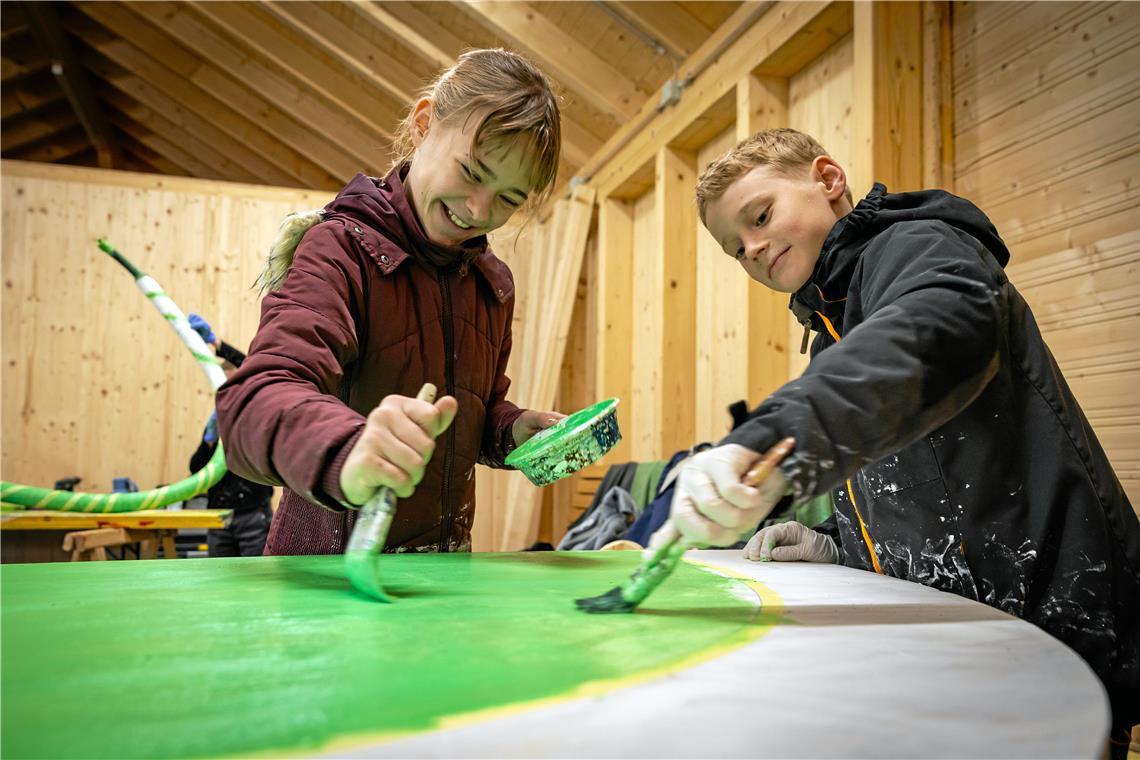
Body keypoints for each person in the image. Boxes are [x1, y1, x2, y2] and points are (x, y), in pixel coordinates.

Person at [647, 128, 1139, 754]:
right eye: (735, 248)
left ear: (828, 181)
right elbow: (916, 482)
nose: (752, 246)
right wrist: (837, 541)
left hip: (1056, 639)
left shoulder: (924, 247)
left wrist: (772, 436)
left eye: (761, 215)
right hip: (966, 656)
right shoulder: (832, 333)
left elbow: (934, 329)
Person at [216, 49, 564, 555]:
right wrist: (349, 449)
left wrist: (513, 431)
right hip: (325, 579)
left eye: (511, 199)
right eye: (471, 170)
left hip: (436, 582)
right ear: (424, 125)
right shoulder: (341, 249)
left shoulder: (493, 287)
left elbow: (471, 417)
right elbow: (251, 403)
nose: (479, 210)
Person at [187, 313, 274, 557]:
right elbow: (196, 469)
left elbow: (255, 374)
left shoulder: (255, 415)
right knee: (220, 584)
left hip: (253, 515)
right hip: (220, 518)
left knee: (256, 584)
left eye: (233, 386)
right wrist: (209, 441)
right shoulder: (215, 424)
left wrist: (218, 345)